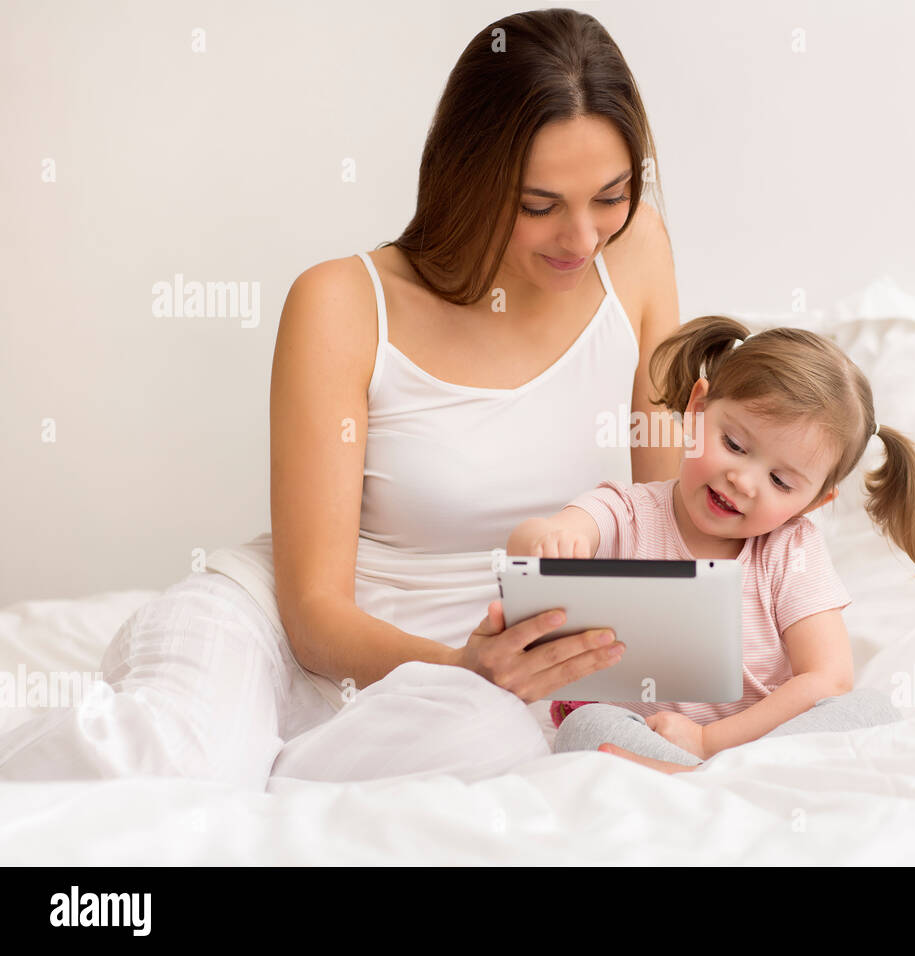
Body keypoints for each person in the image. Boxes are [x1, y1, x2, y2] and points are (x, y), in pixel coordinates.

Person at [0, 9, 685, 787]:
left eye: (611, 195)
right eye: (539, 205)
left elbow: (665, 528)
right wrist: (465, 663)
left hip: (465, 690)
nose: (584, 239)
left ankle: (270, 775)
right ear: (469, 174)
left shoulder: (638, 254)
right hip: (285, 634)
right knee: (172, 760)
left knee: (495, 746)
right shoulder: (343, 301)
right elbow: (314, 614)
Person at [507, 315, 915, 769]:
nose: (744, 481)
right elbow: (533, 541)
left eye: (780, 480)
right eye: (734, 444)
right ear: (697, 411)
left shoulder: (790, 550)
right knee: (585, 727)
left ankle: (696, 779)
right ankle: (704, 781)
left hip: (753, 741)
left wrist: (709, 741)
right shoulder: (626, 511)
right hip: (640, 735)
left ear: (812, 503)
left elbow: (829, 678)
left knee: (873, 710)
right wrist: (551, 540)